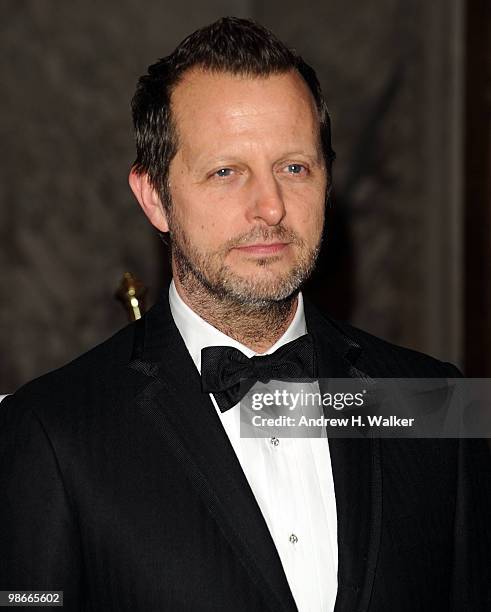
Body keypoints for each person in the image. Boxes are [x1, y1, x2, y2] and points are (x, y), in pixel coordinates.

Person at [0, 17, 489, 612]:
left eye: (294, 167)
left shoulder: (436, 402)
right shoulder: (52, 430)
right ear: (155, 196)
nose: (271, 206)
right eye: (226, 172)